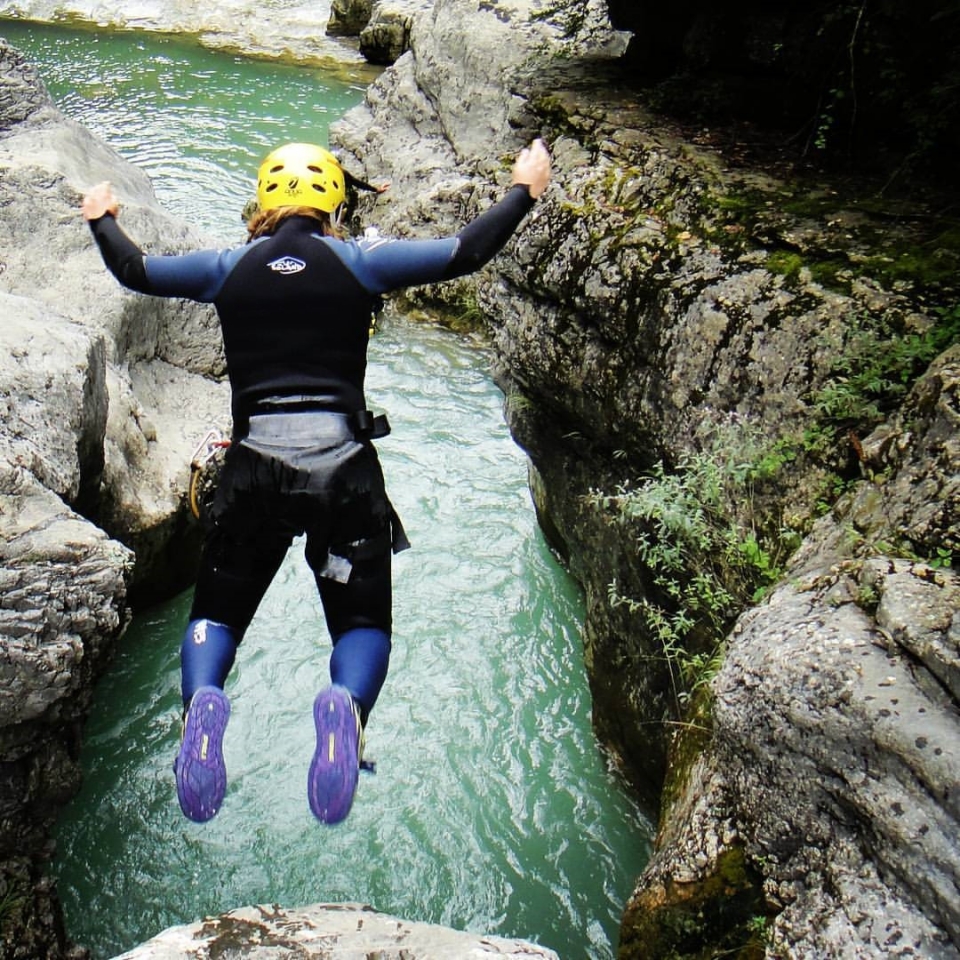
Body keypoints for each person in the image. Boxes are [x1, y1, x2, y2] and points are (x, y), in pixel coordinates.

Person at [81, 138, 551, 825]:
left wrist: (102, 215)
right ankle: (345, 707)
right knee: (361, 625)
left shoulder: (225, 268)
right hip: (343, 473)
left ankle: (204, 705)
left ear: (264, 202)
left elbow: (136, 271)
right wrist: (523, 189)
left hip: (252, 475)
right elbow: (463, 253)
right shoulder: (359, 263)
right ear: (333, 203)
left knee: (216, 616)